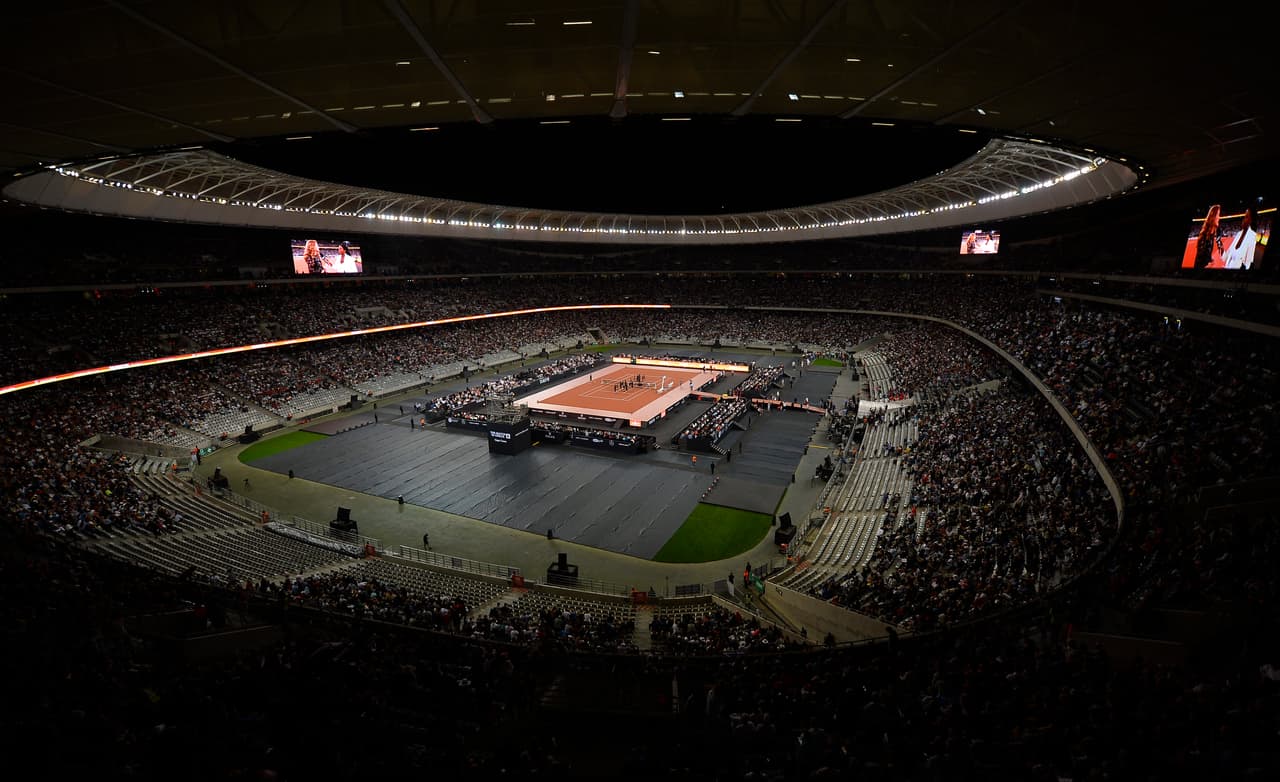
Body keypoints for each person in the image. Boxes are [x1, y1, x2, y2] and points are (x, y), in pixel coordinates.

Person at [1193, 204, 1225, 269]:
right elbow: (1200, 257)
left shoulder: (1211, 232)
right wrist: (1207, 266)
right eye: (1218, 215)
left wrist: (1210, 259)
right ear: (1214, 217)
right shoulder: (1206, 234)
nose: (1219, 217)